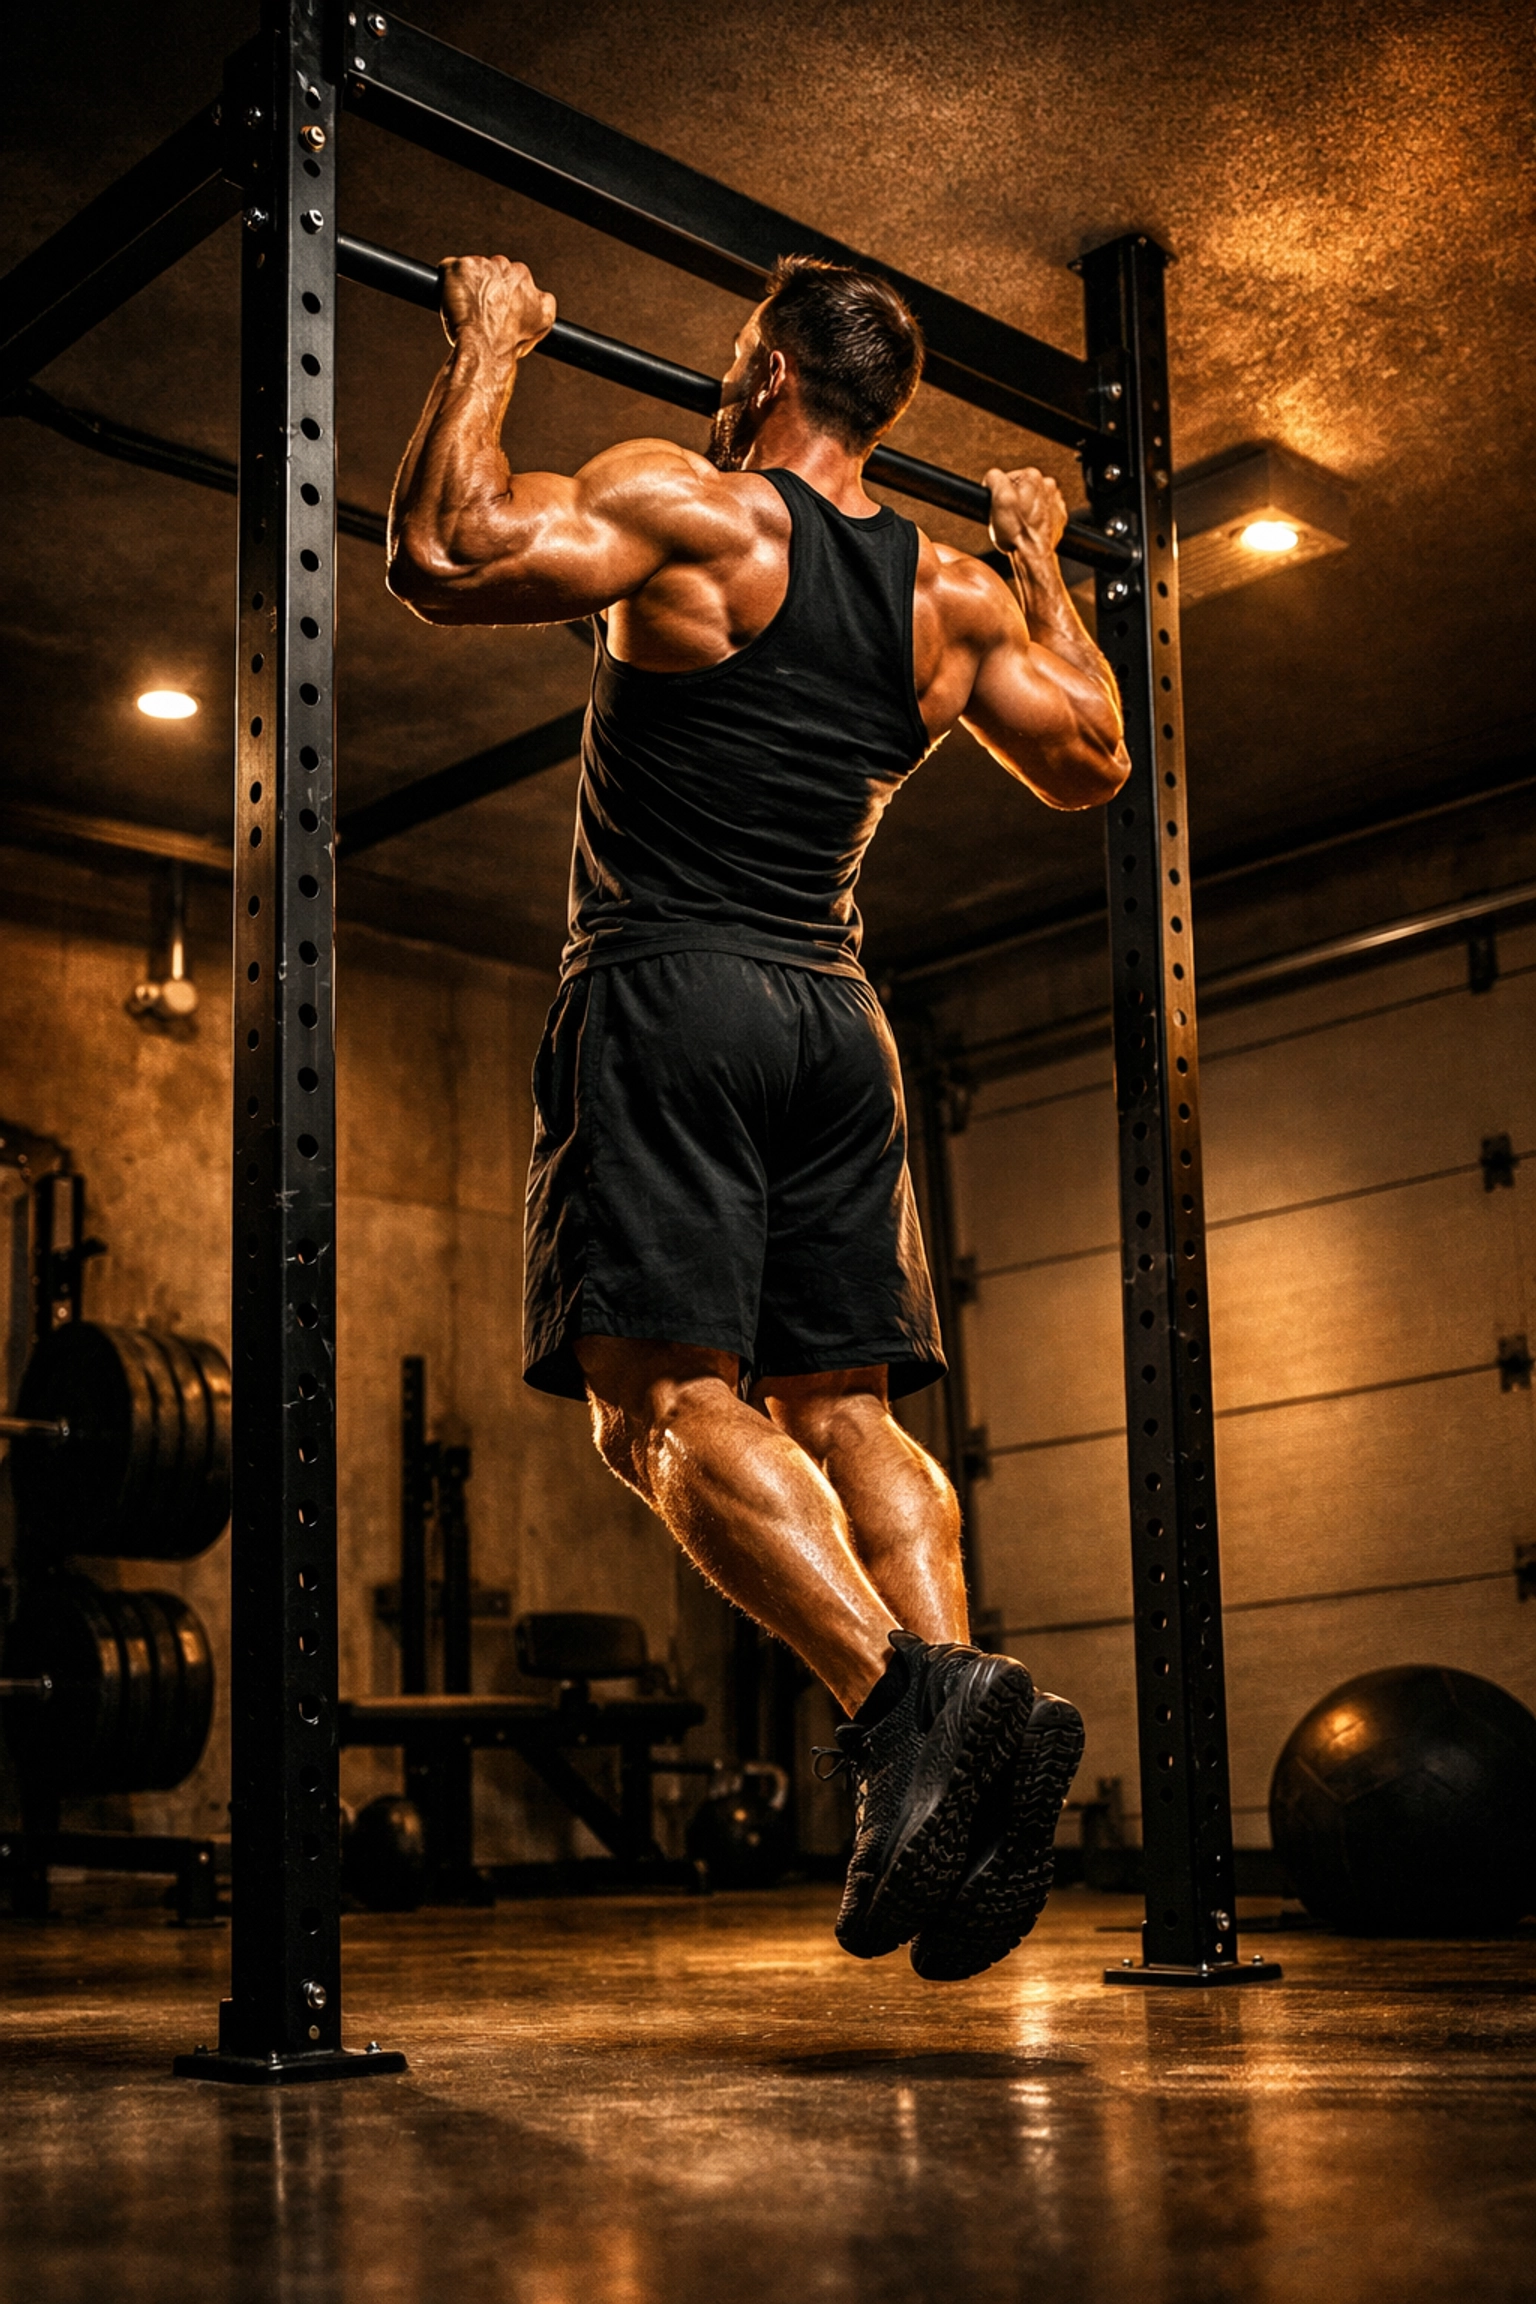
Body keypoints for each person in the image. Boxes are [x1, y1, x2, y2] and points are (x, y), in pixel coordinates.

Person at [388, 251, 1129, 1978]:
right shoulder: (954, 598)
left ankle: (904, 1711)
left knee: (657, 1415)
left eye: (737, 365)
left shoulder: (694, 507)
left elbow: (444, 548)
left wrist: (493, 342)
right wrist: (1043, 563)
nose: (724, 387)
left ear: (771, 371)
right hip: (837, 1024)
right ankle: (962, 1775)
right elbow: (1093, 751)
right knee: (845, 1407)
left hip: (671, 990)